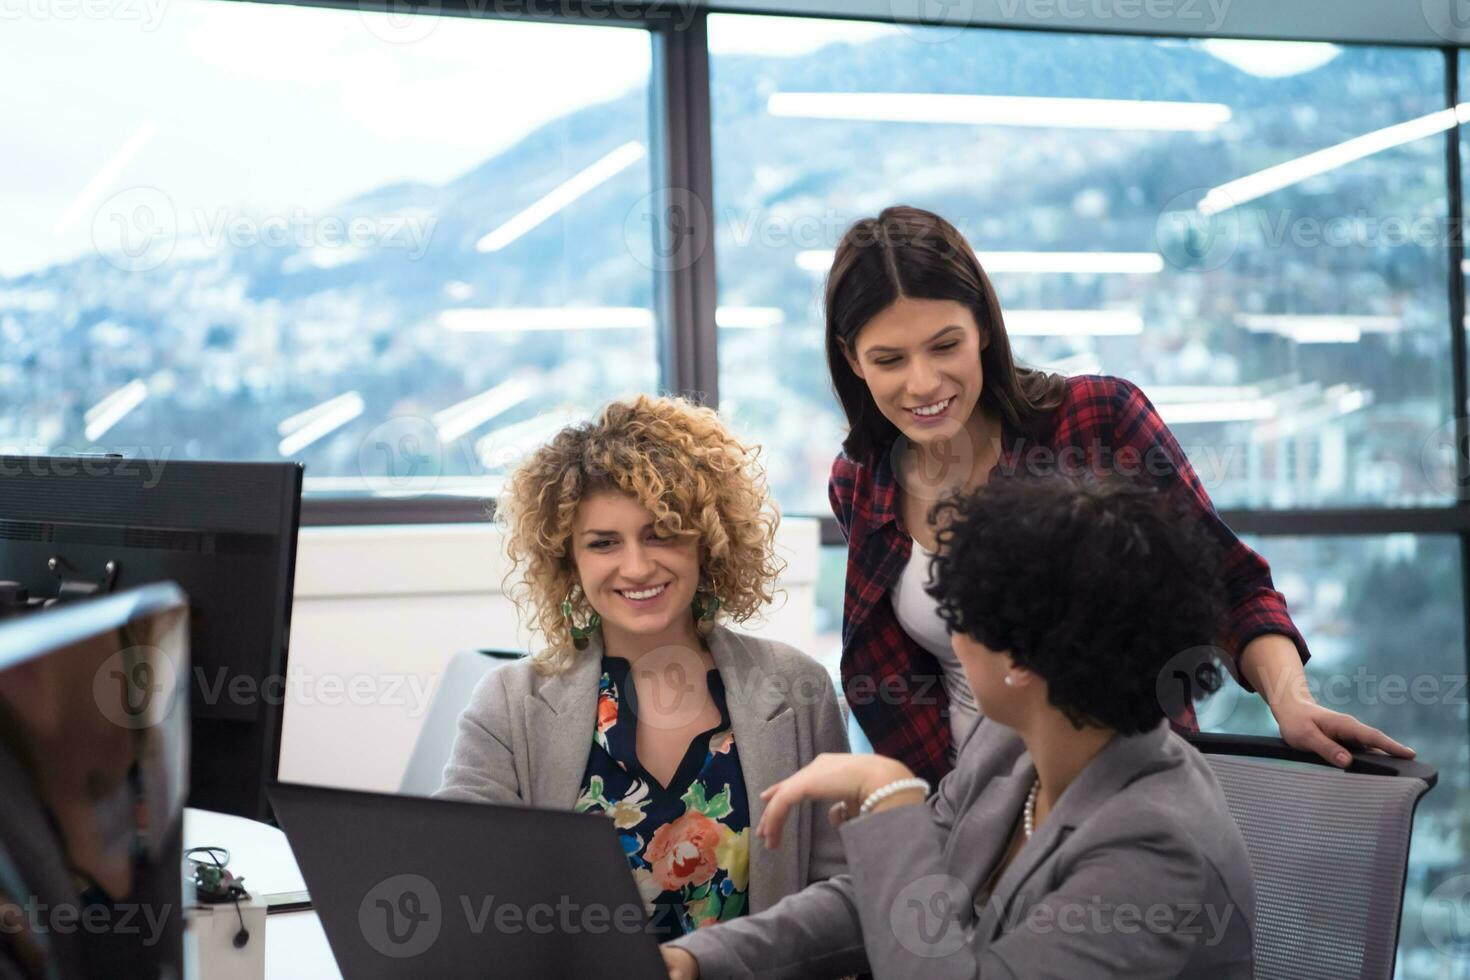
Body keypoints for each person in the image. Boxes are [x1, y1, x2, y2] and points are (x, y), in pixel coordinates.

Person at [824, 203, 1413, 786]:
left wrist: (1291, 702)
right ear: (853, 360)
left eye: (944, 345)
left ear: (983, 327)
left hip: (1121, 792)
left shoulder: (1097, 421)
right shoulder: (860, 485)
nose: (923, 382)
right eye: (889, 360)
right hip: (961, 813)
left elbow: (1228, 583)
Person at [662, 475, 1257, 979]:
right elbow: (894, 900)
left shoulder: (1156, 848)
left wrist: (889, 797)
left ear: (1022, 661)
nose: (950, 637)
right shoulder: (1012, 745)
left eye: (959, 617)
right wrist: (697, 957)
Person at [437, 394, 849, 939]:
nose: (636, 566)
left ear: (708, 540)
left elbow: (840, 894)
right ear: (569, 559)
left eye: (662, 533)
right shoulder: (510, 703)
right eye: (604, 543)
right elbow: (454, 875)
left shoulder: (797, 690)